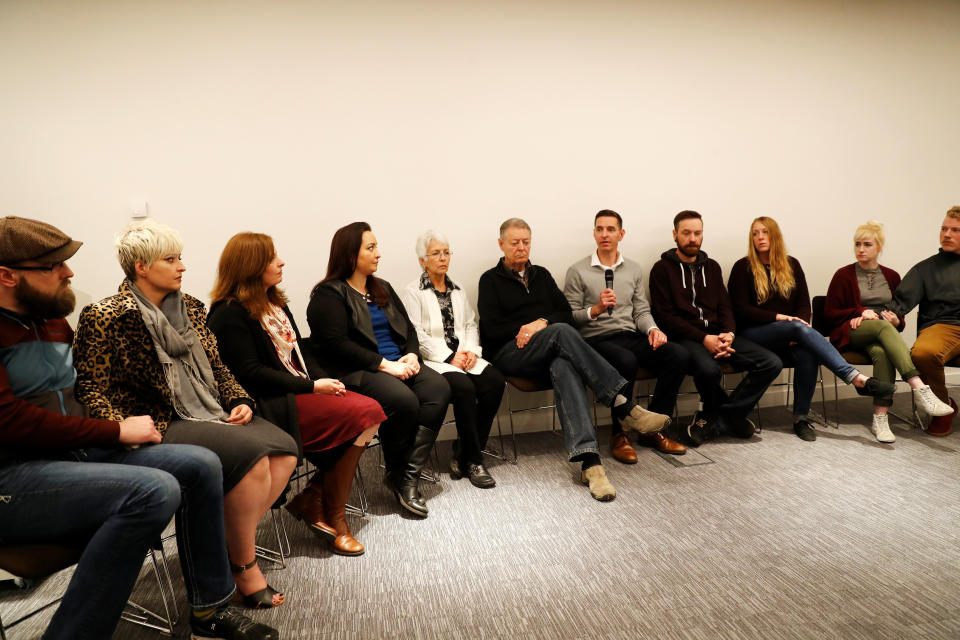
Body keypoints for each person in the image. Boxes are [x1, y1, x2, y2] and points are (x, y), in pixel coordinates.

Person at [0, 216, 278, 640]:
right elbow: (10, 421)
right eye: (54, 266)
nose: (69, 272)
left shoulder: (52, 321)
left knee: (201, 464)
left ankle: (209, 610)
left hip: (70, 455)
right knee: (154, 490)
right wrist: (115, 432)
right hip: (14, 474)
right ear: (7, 276)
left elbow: (83, 389)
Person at [73, 218, 298, 610]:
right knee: (253, 460)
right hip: (159, 421)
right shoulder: (105, 314)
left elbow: (219, 369)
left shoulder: (191, 307)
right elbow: (91, 385)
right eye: (171, 259)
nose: (182, 266)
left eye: (180, 258)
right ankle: (244, 566)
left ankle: (217, 547)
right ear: (141, 267)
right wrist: (121, 427)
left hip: (206, 409)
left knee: (285, 448)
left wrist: (238, 400)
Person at [208, 232, 384, 555]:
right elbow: (251, 374)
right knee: (365, 414)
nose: (281, 262)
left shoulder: (275, 303)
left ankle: (315, 498)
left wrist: (322, 380)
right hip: (270, 403)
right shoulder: (228, 313)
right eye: (273, 258)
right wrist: (313, 386)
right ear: (251, 266)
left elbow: (300, 354)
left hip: (297, 391)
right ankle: (332, 514)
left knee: (369, 412)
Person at [477, 218, 669, 502]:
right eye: (514, 242)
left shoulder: (541, 275)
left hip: (548, 351)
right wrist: (527, 328)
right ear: (501, 244)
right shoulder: (489, 280)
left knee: (564, 365)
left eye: (526, 241)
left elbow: (564, 313)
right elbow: (491, 330)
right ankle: (622, 403)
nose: (521, 247)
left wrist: (540, 323)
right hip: (510, 354)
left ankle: (591, 465)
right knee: (561, 332)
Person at [307, 222, 451, 518]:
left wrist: (411, 354)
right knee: (404, 401)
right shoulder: (329, 294)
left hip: (398, 363)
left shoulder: (381, 287)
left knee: (439, 389)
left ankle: (405, 476)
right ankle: (401, 475)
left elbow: (408, 328)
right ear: (350, 255)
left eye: (376, 247)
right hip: (360, 370)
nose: (378, 254)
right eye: (370, 248)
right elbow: (335, 345)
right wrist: (386, 365)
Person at [727, 216, 899, 441]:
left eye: (765, 232)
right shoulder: (743, 267)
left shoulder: (792, 265)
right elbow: (739, 309)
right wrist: (781, 319)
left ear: (775, 236)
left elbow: (803, 305)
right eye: (755, 233)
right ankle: (854, 378)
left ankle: (801, 418)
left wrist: (793, 328)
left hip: (788, 333)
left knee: (808, 352)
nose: (760, 237)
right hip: (753, 334)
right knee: (797, 329)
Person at [563, 209, 688, 462]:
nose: (605, 234)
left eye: (610, 229)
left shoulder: (633, 269)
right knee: (626, 360)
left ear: (621, 234)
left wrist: (653, 330)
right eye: (599, 229)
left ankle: (654, 428)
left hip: (629, 335)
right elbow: (570, 317)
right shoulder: (578, 270)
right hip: (595, 340)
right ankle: (619, 433)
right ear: (594, 233)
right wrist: (596, 310)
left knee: (678, 355)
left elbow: (641, 310)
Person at [649, 210, 782, 446]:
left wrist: (729, 334)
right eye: (686, 233)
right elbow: (665, 317)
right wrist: (704, 338)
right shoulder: (661, 269)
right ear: (675, 235)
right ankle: (729, 418)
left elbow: (725, 306)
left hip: (720, 334)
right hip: (685, 338)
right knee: (710, 370)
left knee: (771, 363)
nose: (692, 238)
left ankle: (718, 416)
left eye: (697, 233)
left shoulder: (712, 267)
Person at [402, 230, 505, 488]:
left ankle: (462, 451)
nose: (443, 258)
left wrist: (471, 352)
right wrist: (449, 356)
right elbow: (415, 333)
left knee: (494, 381)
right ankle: (474, 461)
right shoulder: (413, 291)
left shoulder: (457, 290)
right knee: (464, 388)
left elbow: (470, 325)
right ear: (422, 261)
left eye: (446, 252)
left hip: (464, 357)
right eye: (436, 253)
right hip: (435, 361)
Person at [883, 208, 960, 436]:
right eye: (944, 229)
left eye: (955, 230)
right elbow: (900, 302)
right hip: (943, 326)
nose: (947, 234)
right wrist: (894, 316)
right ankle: (943, 409)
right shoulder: (925, 269)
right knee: (922, 353)